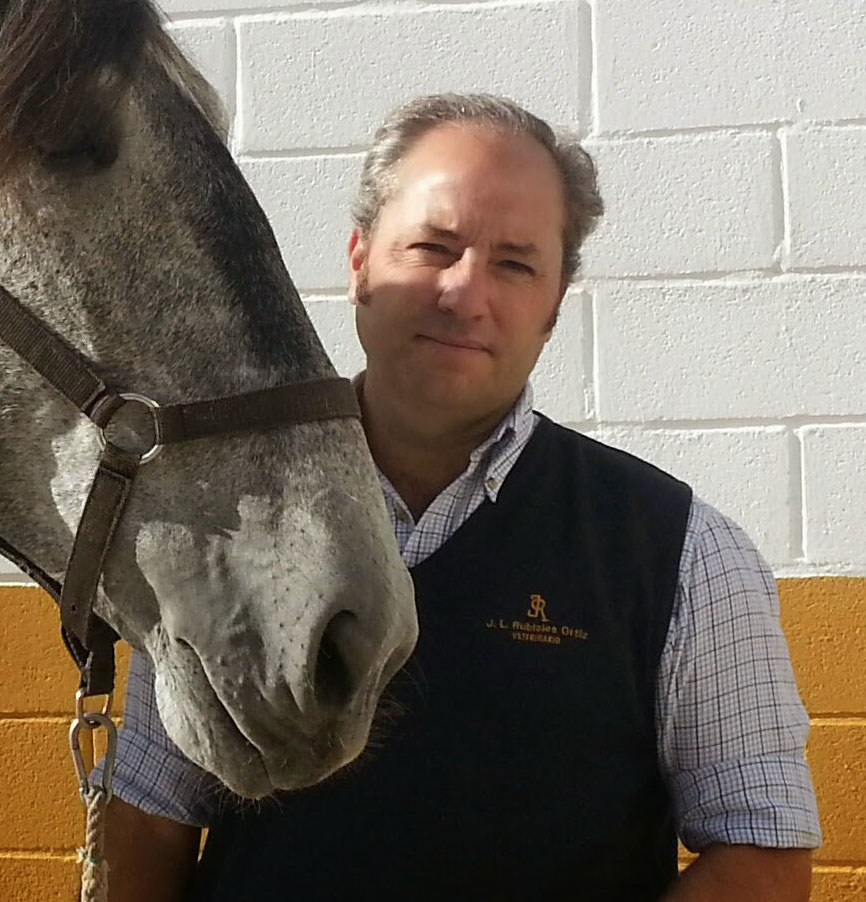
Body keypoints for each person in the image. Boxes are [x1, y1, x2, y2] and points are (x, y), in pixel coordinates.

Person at [100, 93, 821, 901]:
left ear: (552, 308)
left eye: (515, 264)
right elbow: (152, 818)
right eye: (432, 247)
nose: (464, 293)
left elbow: (762, 855)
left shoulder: (683, 554)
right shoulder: (220, 524)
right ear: (360, 264)